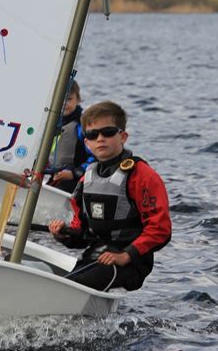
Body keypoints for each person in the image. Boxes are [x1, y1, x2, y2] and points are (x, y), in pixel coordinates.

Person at [48, 101, 171, 292]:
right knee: (59, 284)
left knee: (67, 288)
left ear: (122, 136)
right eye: (92, 134)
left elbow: (160, 229)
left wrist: (126, 255)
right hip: (95, 257)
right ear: (86, 142)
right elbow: (81, 234)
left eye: (107, 132)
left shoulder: (142, 175)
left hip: (130, 263)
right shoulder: (85, 179)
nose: (100, 139)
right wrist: (63, 235)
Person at [46, 80, 93, 193]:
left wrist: (74, 173)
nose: (64, 103)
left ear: (78, 99)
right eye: (60, 98)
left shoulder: (82, 125)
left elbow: (95, 157)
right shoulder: (48, 122)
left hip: (74, 179)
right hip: (51, 175)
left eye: (69, 99)